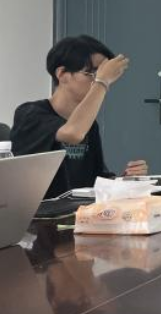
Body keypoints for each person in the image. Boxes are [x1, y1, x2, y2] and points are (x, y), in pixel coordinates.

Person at [11, 35, 147, 199]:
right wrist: (102, 81)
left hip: (79, 210)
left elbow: (98, 179)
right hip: (40, 212)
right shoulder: (29, 114)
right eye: (92, 73)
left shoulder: (89, 125)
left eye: (101, 75)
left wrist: (125, 180)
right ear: (62, 74)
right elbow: (73, 133)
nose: (97, 82)